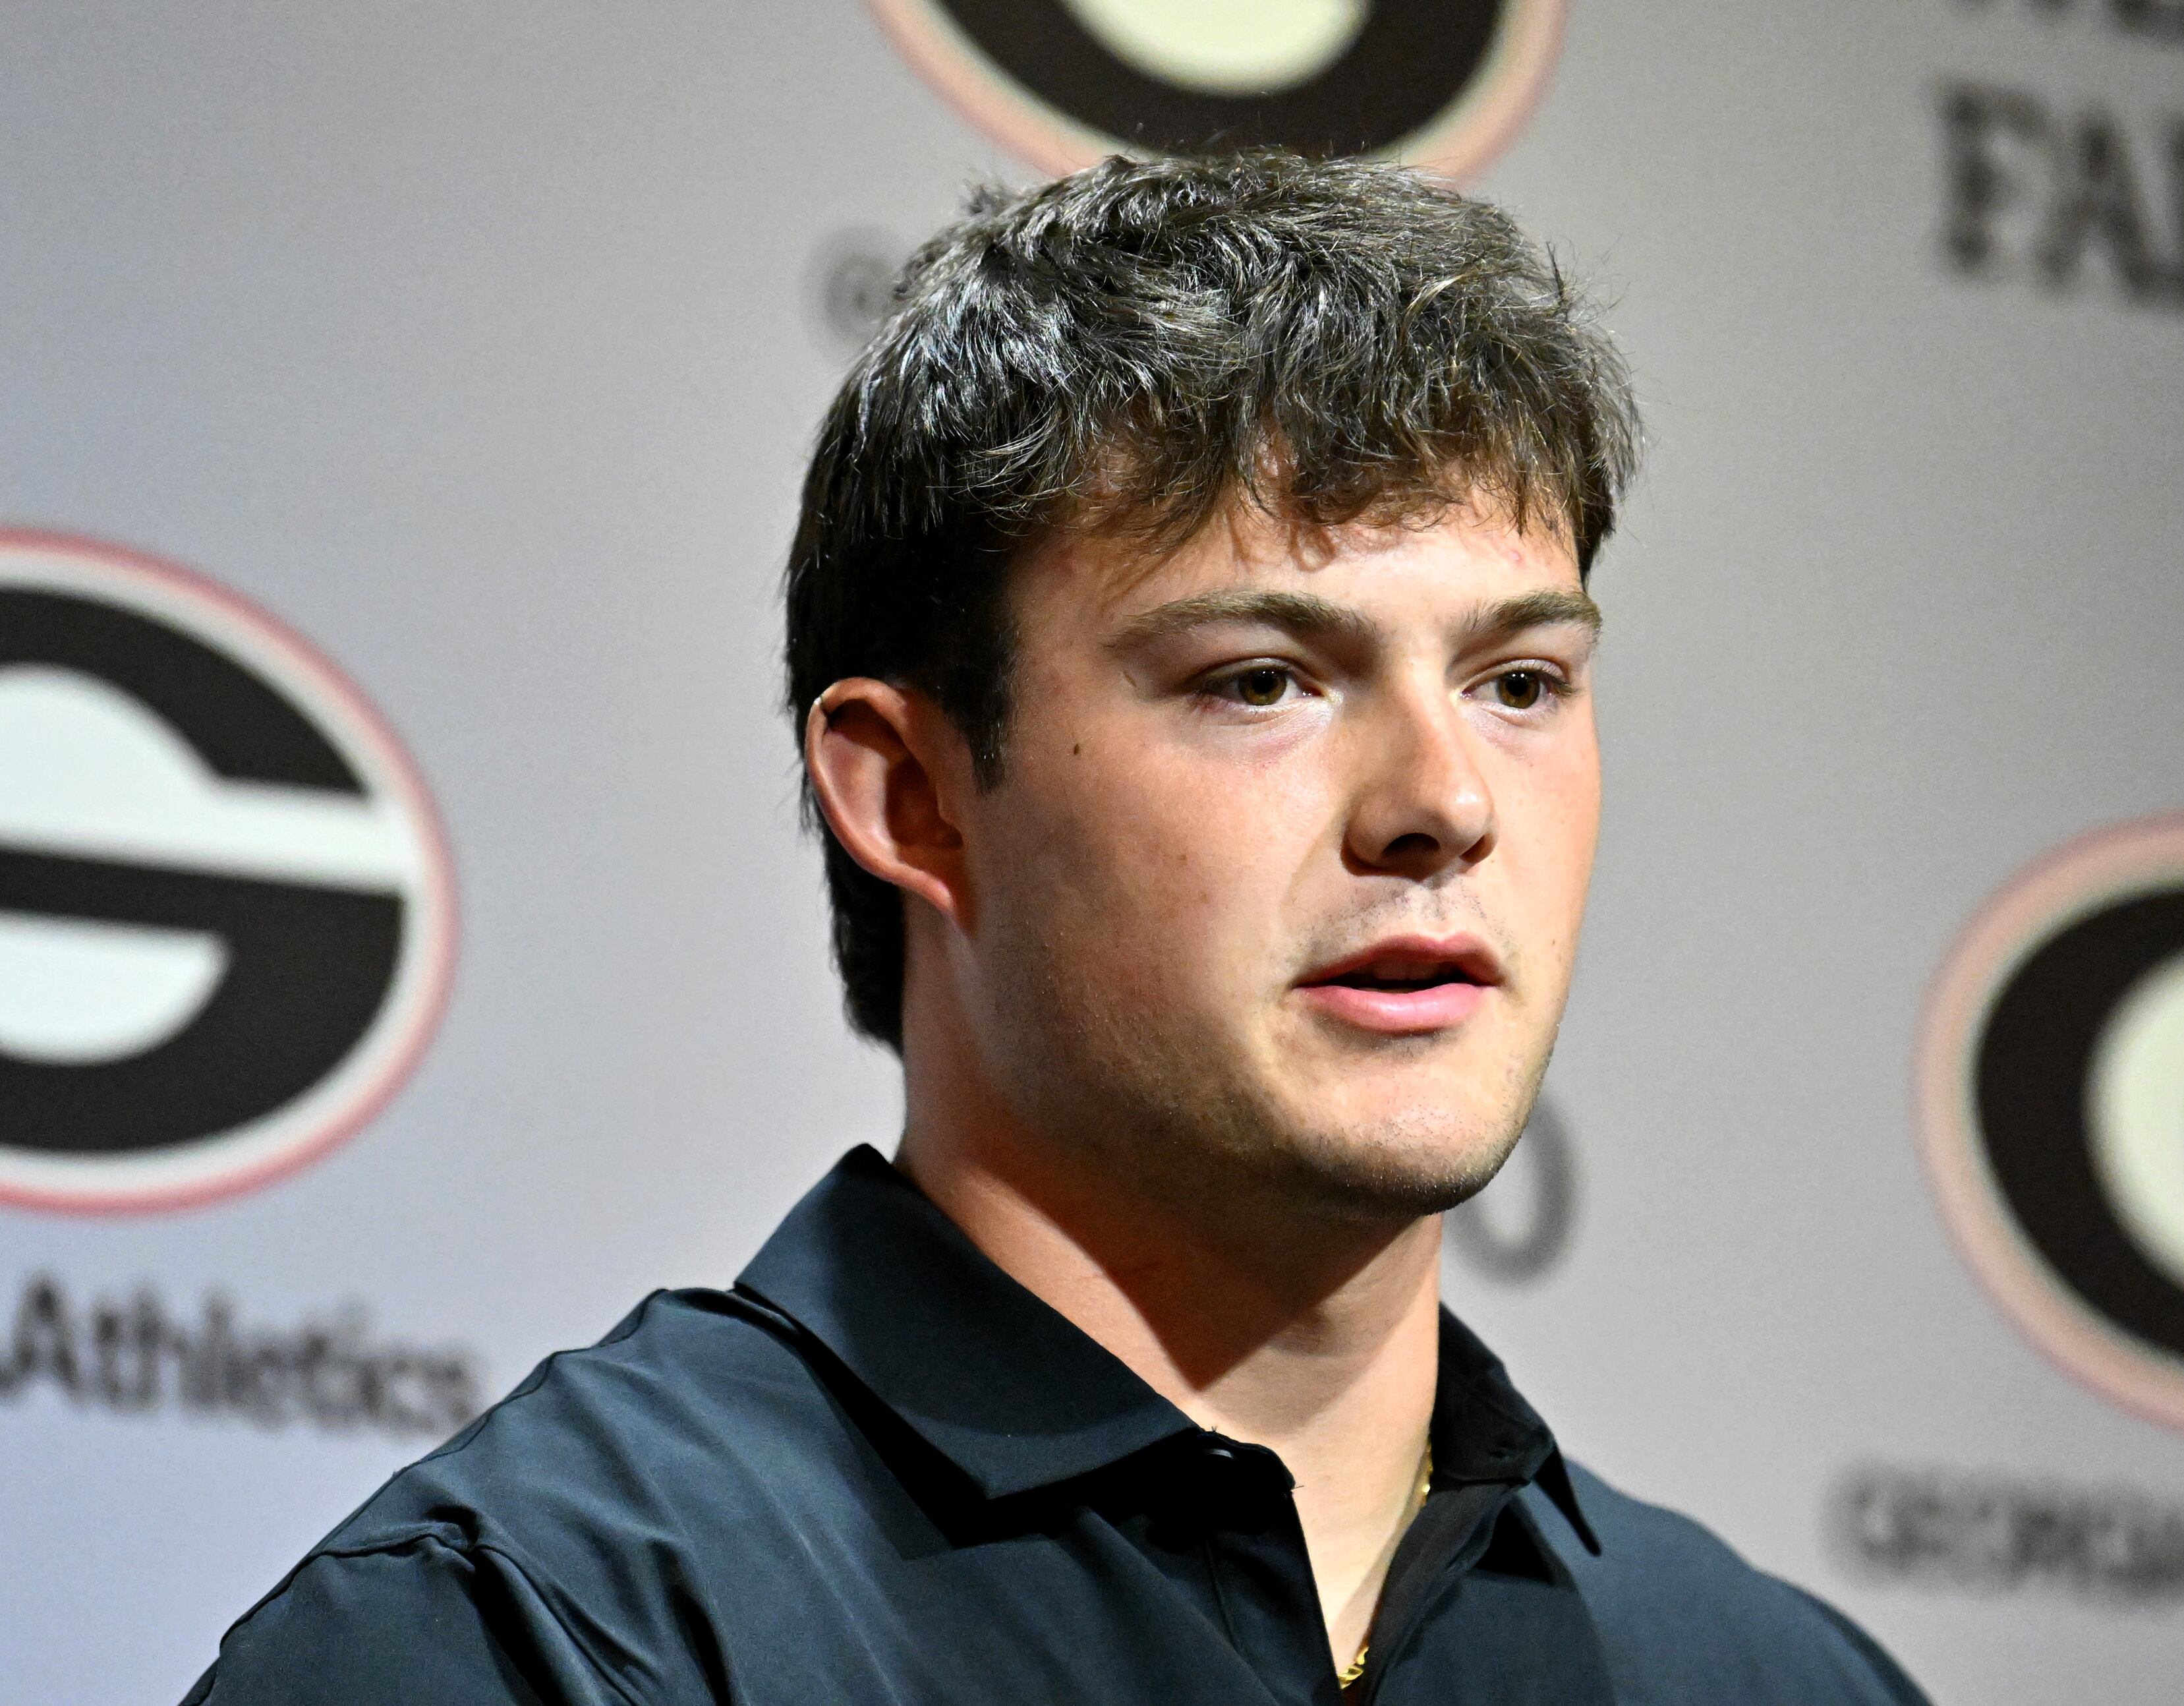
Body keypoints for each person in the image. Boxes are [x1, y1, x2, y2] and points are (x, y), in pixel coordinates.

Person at [187, 150, 1928, 1705]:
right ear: (915, 797)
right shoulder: (534, 1640)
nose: (1445, 800)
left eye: (1522, 680)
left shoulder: (1776, 1676)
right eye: (1263, 680)